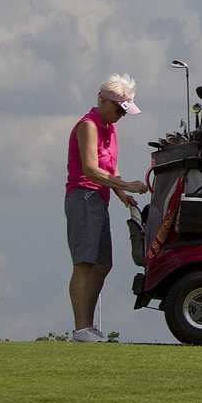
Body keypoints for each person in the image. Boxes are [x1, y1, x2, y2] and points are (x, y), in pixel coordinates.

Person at [64, 74, 148, 342]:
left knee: (102, 264)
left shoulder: (111, 130)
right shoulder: (88, 125)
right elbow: (90, 169)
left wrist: (122, 194)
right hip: (83, 197)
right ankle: (81, 328)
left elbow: (110, 168)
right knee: (85, 263)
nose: (120, 116)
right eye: (118, 110)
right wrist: (127, 185)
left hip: (100, 198)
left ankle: (87, 327)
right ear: (103, 101)